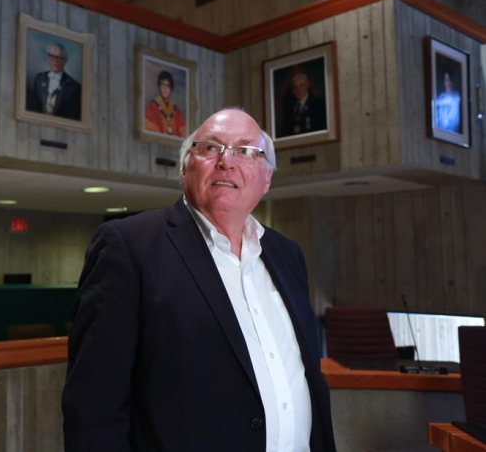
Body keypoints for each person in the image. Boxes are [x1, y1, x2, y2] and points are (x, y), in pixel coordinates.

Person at [62, 108, 336, 452]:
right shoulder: (129, 246)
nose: (227, 161)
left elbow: (304, 375)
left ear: (266, 179)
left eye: (247, 151)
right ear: (184, 168)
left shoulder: (287, 254)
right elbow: (93, 404)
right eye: (210, 148)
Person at [27, 42, 81, 120]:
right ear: (47, 58)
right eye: (52, 57)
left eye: (59, 58)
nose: (55, 61)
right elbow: (32, 106)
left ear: (65, 60)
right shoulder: (39, 78)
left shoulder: (74, 87)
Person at [279, 73, 326, 138]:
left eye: (301, 86)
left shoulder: (317, 104)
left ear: (307, 85)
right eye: (295, 87)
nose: (298, 90)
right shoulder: (290, 108)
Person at [144, 70, 187, 137]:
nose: (165, 88)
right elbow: (147, 125)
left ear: (171, 88)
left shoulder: (177, 111)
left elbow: (184, 133)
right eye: (162, 85)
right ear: (159, 87)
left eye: (167, 85)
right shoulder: (152, 106)